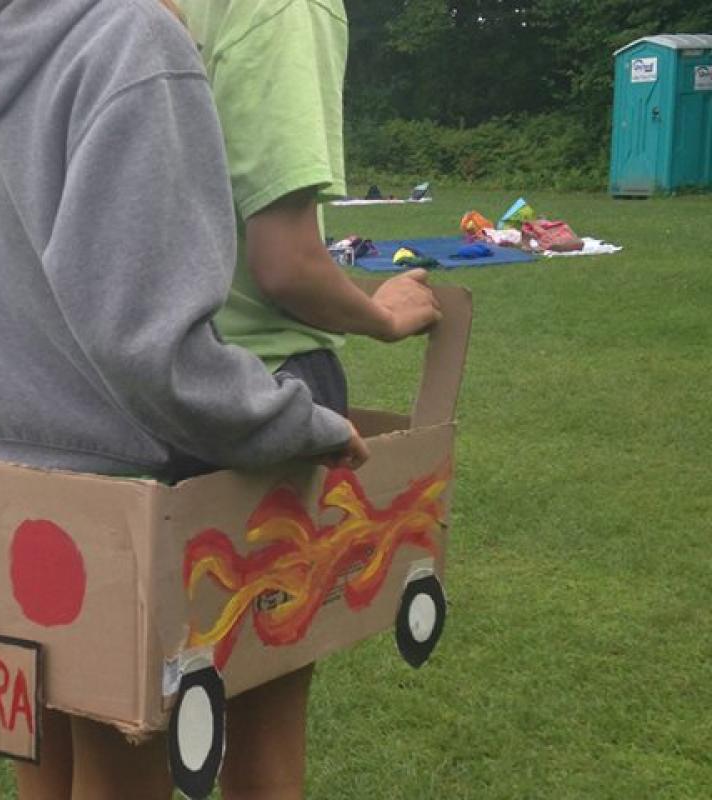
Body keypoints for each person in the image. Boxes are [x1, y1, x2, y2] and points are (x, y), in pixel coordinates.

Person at [0, 1, 373, 798]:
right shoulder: (129, 33)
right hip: (118, 484)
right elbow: (148, 342)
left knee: (49, 762)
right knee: (123, 767)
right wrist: (292, 423)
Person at [176, 1, 443, 798]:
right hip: (258, 386)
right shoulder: (283, 6)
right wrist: (381, 315)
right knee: (262, 718)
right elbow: (286, 264)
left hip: (100, 389)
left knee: (86, 722)